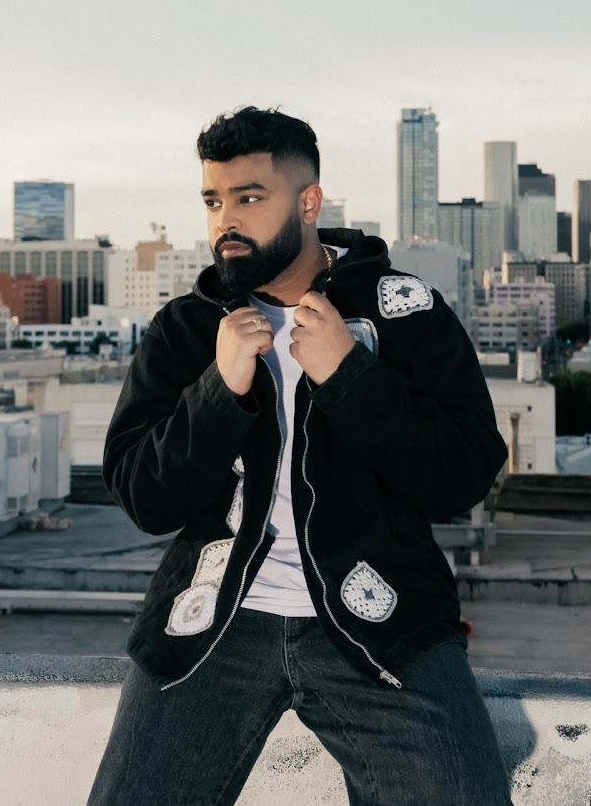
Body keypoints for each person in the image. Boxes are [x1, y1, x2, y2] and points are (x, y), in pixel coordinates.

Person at [88, 107, 513, 805]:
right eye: (213, 201)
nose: (226, 219)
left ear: (308, 202)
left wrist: (351, 376)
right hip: (214, 623)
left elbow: (463, 475)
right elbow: (144, 497)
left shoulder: (403, 311)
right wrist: (219, 389)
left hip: (386, 623)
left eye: (250, 198)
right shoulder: (188, 328)